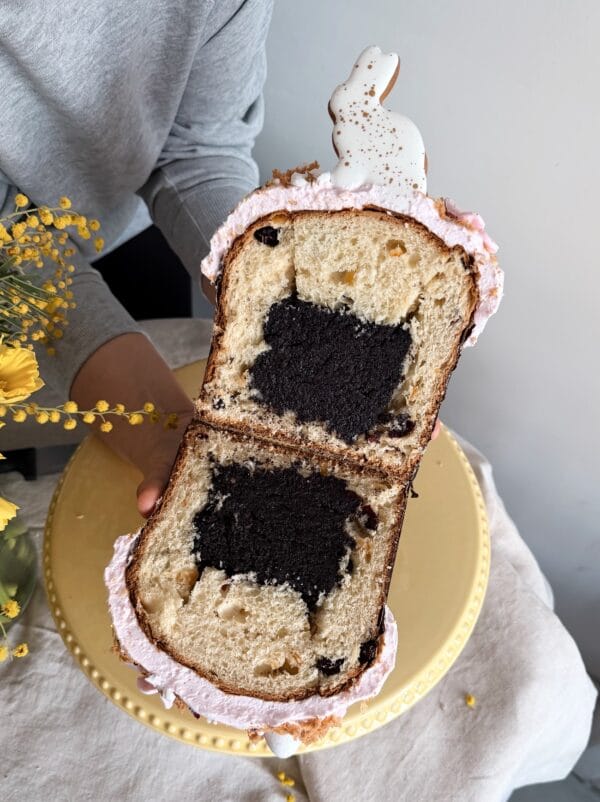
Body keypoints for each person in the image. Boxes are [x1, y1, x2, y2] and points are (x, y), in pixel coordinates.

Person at [0, 1, 273, 516]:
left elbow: (198, 147)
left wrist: (276, 299)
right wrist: (157, 429)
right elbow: (9, 242)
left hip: (132, 222)